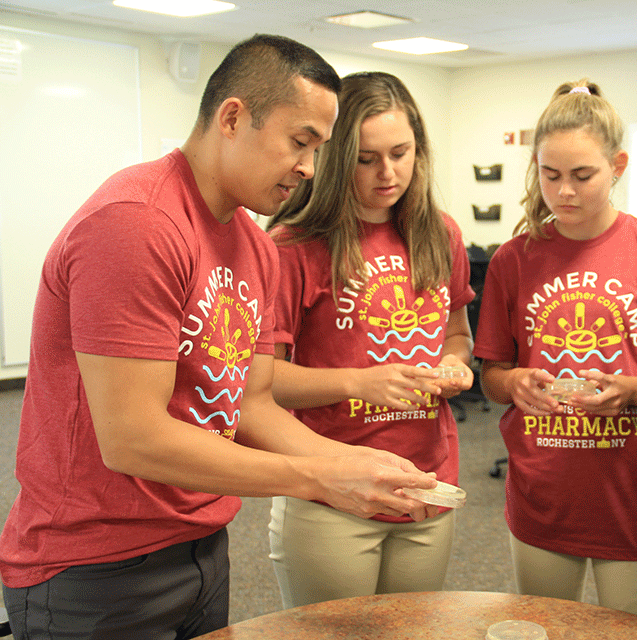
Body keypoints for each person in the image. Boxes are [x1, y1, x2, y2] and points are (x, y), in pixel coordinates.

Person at [0, 35, 439, 639]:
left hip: (200, 544)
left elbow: (252, 401)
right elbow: (133, 439)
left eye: (319, 148)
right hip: (95, 565)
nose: (311, 168)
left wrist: (354, 461)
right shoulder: (138, 223)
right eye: (300, 142)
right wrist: (319, 478)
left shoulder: (253, 244)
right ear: (233, 117)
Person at [473, 80, 637, 619]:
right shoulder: (514, 259)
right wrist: (514, 383)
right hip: (545, 490)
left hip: (633, 490)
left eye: (582, 176)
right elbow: (492, 374)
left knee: (635, 631)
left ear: (617, 165)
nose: (564, 192)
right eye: (550, 176)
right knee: (547, 628)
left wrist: (634, 391)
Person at [264, 71, 474, 607]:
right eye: (366, 158)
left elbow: (455, 332)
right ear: (335, 160)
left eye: (401, 153)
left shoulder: (438, 231)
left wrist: (456, 364)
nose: (388, 172)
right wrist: (361, 382)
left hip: (427, 481)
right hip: (331, 490)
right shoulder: (294, 247)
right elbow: (264, 385)